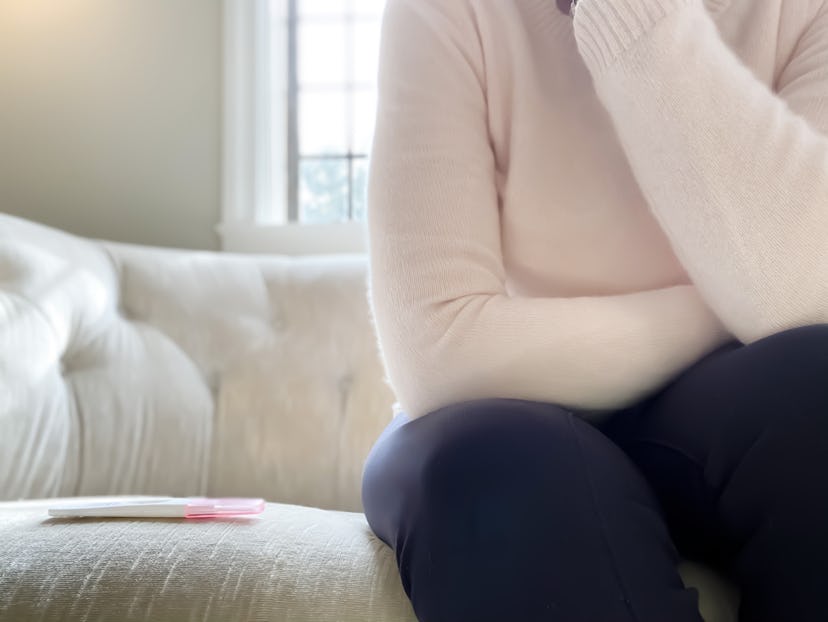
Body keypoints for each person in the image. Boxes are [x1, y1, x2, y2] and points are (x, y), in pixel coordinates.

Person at [360, 0, 828, 620]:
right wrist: (725, 307)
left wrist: (635, 16)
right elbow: (438, 352)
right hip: (502, 406)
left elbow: (805, 297)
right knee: (499, 469)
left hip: (730, 409)